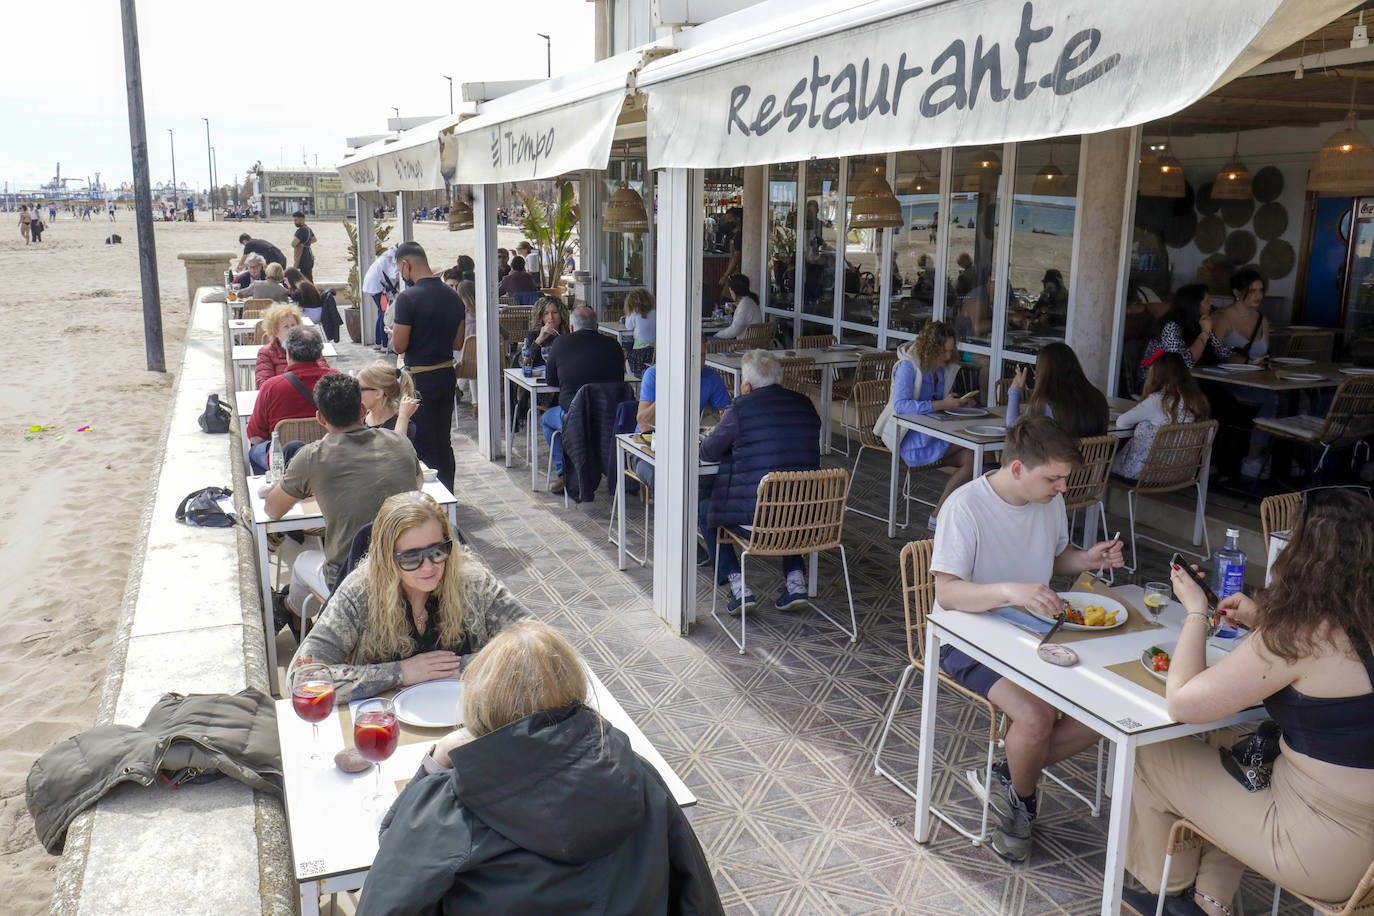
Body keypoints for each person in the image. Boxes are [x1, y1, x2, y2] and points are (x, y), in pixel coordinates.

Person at [355, 619, 724, 916]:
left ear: (481, 705)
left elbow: (386, 888)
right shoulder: (637, 773)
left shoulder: (452, 805)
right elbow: (699, 898)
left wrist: (434, 763)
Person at [1122, 488, 1374, 916]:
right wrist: (1264, 621)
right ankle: (1208, 903)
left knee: (1151, 755)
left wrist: (1196, 611)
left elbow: (1183, 704)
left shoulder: (1299, 636)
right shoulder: (1354, 619)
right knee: (1240, 747)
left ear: (1305, 551)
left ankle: (1169, 896)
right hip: (1364, 850)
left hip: (1320, 852)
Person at [931, 416, 1123, 862]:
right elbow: (947, 593)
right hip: (965, 639)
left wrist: (1086, 558)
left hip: (1031, 633)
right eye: (1053, 478)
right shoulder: (966, 506)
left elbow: (1056, 558)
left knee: (1107, 711)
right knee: (1036, 718)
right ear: (1017, 469)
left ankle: (1008, 773)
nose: (1061, 488)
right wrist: (1011, 591)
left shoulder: (1048, 501)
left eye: (1064, 479)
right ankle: (1022, 805)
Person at [289, 492, 526, 703]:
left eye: (437, 551)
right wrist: (400, 672)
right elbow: (302, 678)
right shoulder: (360, 592)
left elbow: (537, 644)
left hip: (466, 720)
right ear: (385, 559)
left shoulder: (471, 580)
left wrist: (465, 668)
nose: (428, 567)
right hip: (382, 725)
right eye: (411, 558)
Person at [261, 373, 422, 625]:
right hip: (410, 569)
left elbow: (273, 509)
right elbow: (417, 486)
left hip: (351, 581)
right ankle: (292, 612)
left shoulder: (312, 456)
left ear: (321, 418)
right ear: (361, 409)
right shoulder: (400, 442)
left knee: (304, 560)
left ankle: (288, 608)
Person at [699, 349, 821, 613]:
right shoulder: (806, 405)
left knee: (704, 506)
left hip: (757, 522)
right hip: (809, 519)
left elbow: (707, 451)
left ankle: (737, 584)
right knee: (789, 493)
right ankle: (796, 580)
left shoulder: (740, 408)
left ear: (746, 385)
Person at [877, 321, 977, 530]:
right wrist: (943, 404)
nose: (948, 357)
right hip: (910, 439)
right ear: (931, 348)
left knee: (973, 457)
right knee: (978, 451)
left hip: (932, 433)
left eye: (951, 351)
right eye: (944, 351)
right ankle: (959, 516)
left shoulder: (938, 369)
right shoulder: (908, 366)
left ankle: (939, 515)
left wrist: (958, 404)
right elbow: (901, 406)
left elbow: (937, 404)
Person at [391, 241, 465, 492]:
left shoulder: (407, 298)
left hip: (419, 380)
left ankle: (429, 501)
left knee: (420, 442)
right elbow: (458, 342)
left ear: (405, 265)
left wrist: (393, 336)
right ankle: (448, 495)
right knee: (443, 441)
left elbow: (399, 346)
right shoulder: (454, 296)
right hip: (446, 374)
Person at [542, 305, 625, 494]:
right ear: (596, 325)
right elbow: (619, 380)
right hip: (608, 419)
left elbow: (551, 381)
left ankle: (563, 473)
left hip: (573, 417)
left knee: (545, 420)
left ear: (572, 327)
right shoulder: (614, 346)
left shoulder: (561, 343)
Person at [633, 342, 732, 491]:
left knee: (714, 477)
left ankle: (696, 513)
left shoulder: (711, 376)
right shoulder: (654, 374)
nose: (698, 361)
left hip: (689, 446)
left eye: (702, 355)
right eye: (693, 355)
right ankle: (671, 513)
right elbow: (643, 423)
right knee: (661, 478)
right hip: (648, 447)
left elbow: (728, 415)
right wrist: (669, 389)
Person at [246, 326, 337, 474]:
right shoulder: (337, 381)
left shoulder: (272, 387)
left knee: (255, 450)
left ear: (288, 353)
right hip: (329, 455)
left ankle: (271, 487)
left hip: (285, 460)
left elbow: (256, 436)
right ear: (320, 353)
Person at [1111, 352, 1208, 481]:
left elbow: (1122, 422)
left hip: (1144, 474)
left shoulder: (1157, 401)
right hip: (1180, 473)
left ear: (1156, 376)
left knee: (1102, 456)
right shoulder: (1196, 401)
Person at [1006, 342, 1109, 438]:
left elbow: (1014, 432)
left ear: (1043, 371)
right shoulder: (1097, 397)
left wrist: (1014, 390)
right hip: (1094, 457)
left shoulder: (1045, 404)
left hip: (1059, 457)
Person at [1139, 284, 1233, 383]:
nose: (1211, 303)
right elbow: (1184, 363)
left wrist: (1247, 361)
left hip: (1188, 380)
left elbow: (1222, 352)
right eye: (1206, 300)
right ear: (1194, 304)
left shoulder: (1199, 322)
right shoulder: (1172, 326)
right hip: (1159, 383)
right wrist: (1205, 333)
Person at [255, 302, 330, 387]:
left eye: (293, 325)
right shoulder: (266, 352)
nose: (291, 330)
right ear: (275, 331)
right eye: (286, 326)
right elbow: (263, 383)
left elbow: (324, 372)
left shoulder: (308, 344)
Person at [1209, 268, 1270, 365]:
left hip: (1256, 377)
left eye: (1261, 290)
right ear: (1236, 292)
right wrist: (1248, 362)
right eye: (1252, 291)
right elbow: (1214, 352)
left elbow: (1265, 354)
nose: (1258, 295)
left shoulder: (1262, 320)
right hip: (1226, 377)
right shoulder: (1221, 317)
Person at [358, 361, 419, 443]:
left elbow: (398, 451)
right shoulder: (359, 418)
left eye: (358, 389)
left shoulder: (405, 426)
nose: (354, 393)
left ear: (378, 393)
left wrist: (403, 418)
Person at [447, 276, 480, 411]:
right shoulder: (485, 315)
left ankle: (472, 399)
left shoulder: (459, 316)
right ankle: (460, 391)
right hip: (486, 358)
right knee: (471, 362)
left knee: (467, 363)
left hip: (463, 359)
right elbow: (504, 334)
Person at [362, 246, 400, 351]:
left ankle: (378, 343)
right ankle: (384, 345)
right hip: (377, 287)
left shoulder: (389, 254)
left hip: (373, 285)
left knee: (381, 312)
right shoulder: (393, 256)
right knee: (384, 313)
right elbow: (395, 274)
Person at [712, 274, 763, 340]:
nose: (730, 293)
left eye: (730, 290)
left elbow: (734, 330)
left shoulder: (745, 304)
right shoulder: (749, 301)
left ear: (734, 291)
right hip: (751, 343)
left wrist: (716, 335)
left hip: (746, 346)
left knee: (709, 341)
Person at [290, 210, 316, 281]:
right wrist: (306, 243)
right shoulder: (308, 229)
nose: (294, 222)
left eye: (296, 220)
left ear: (302, 219)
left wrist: (301, 244)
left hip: (302, 258)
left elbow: (294, 244)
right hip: (309, 257)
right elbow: (314, 239)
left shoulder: (301, 230)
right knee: (309, 278)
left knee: (302, 279)